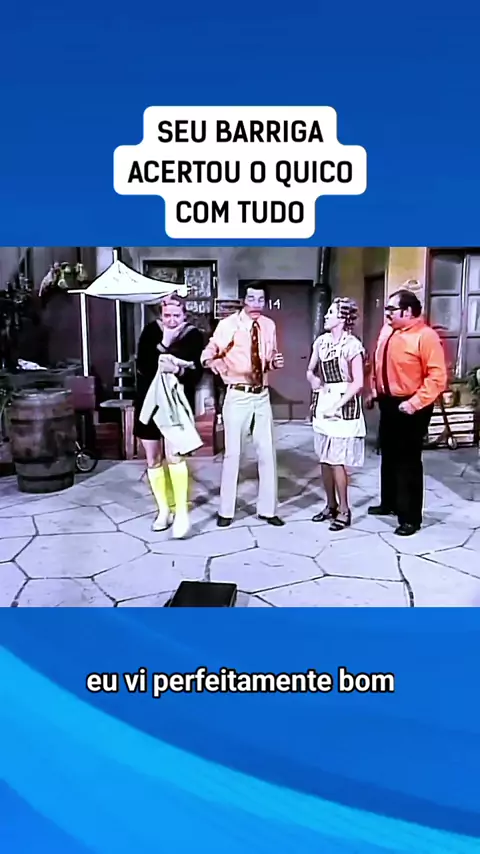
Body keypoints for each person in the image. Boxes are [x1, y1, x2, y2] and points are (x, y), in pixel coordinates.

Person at [201, 282, 284, 527]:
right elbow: (208, 352)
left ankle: (268, 510)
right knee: (233, 454)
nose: (256, 304)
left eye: (261, 300)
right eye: (251, 299)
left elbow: (269, 357)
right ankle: (226, 511)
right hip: (237, 395)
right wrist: (214, 363)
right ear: (243, 301)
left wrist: (274, 363)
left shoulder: (268, 325)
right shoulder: (229, 325)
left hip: (262, 396)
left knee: (267, 452)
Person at [366, 287, 447, 537]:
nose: (387, 314)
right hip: (388, 401)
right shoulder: (387, 331)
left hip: (412, 405)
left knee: (408, 460)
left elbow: (437, 377)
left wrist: (414, 402)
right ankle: (389, 502)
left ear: (408, 311)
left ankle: (410, 517)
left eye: (392, 309)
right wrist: (373, 390)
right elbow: (377, 363)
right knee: (389, 454)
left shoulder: (426, 336)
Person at [134, 295, 204, 538]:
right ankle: (163, 510)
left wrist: (177, 370)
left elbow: (196, 373)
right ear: (161, 315)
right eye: (167, 315)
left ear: (184, 315)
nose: (172, 320)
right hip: (149, 401)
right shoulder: (150, 332)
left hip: (176, 405)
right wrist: (164, 342)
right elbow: (143, 366)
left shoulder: (193, 335)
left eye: (176, 315)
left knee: (175, 456)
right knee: (153, 459)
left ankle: (181, 513)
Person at [307, 297, 366, 531]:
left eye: (330, 313)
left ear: (342, 318)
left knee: (337, 461)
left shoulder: (352, 345)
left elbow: (358, 382)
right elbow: (310, 370)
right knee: (324, 459)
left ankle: (344, 509)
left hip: (344, 403)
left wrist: (338, 405)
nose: (325, 316)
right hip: (324, 399)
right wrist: (313, 380)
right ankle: (330, 505)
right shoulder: (321, 342)